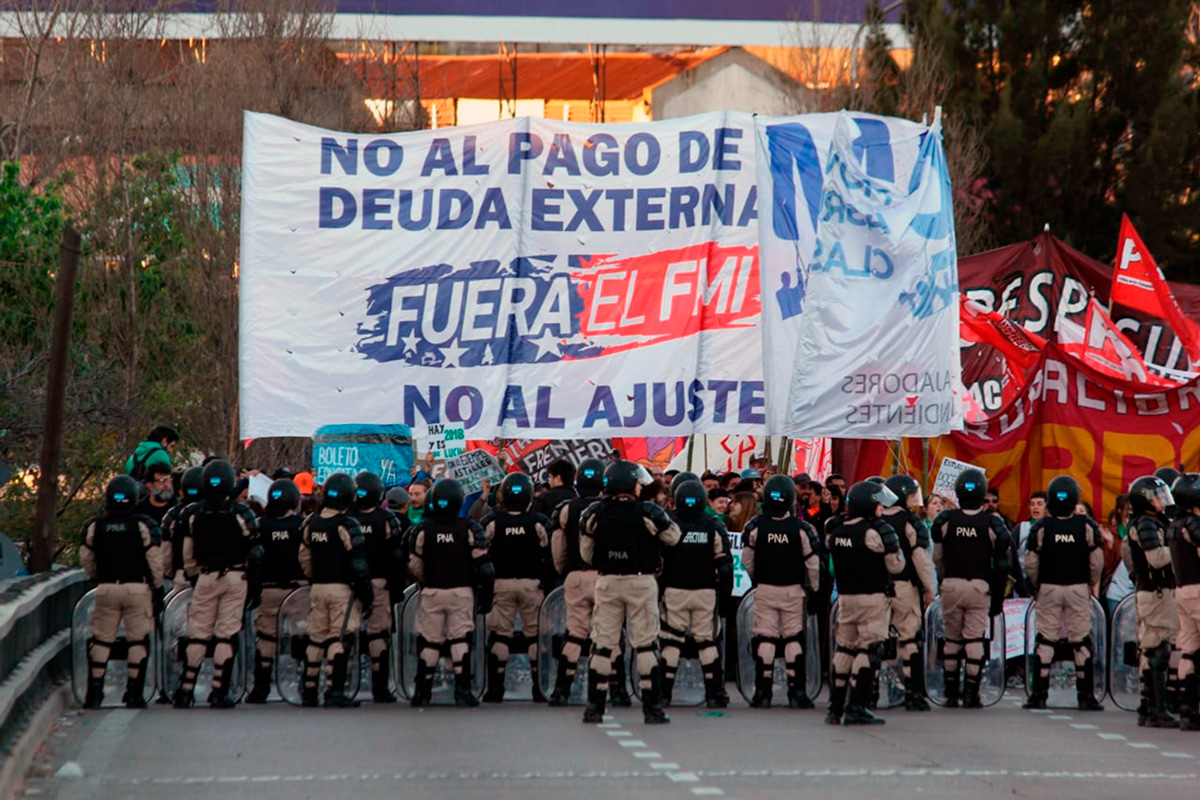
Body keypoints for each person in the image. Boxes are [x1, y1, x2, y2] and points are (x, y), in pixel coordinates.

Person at [579, 460, 682, 724]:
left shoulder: (594, 513)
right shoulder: (647, 511)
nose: (640, 486)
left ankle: (595, 707)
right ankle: (652, 708)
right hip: (641, 581)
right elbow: (673, 537)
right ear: (629, 483)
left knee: (602, 644)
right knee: (646, 644)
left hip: (607, 581)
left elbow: (586, 554)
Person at [173, 460, 262, 709]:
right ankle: (218, 690)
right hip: (235, 577)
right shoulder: (241, 513)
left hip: (205, 576)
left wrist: (194, 577)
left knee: (198, 633)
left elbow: (187, 553)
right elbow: (255, 552)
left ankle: (186, 689)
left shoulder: (192, 514)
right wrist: (254, 587)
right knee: (226, 633)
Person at [79, 475, 164, 708]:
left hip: (106, 587)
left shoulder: (95, 525)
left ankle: (94, 693)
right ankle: (134, 693)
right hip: (137, 588)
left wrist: (96, 577)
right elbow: (154, 559)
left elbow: (86, 557)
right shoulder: (143, 525)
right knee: (137, 640)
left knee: (102, 640)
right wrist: (157, 587)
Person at [825, 481, 906, 725]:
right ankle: (856, 706)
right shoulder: (875, 531)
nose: (881, 507)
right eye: (878, 503)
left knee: (845, 649)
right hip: (872, 597)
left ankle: (835, 707)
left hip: (846, 598)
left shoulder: (835, 529)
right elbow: (896, 565)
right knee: (868, 649)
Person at [930, 468, 1011, 708]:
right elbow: (1002, 562)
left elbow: (938, 556)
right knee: (975, 639)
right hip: (979, 585)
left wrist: (944, 580)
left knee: (953, 639)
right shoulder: (992, 522)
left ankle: (951, 691)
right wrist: (996, 595)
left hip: (951, 584)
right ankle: (971, 693)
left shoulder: (945, 520)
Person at [1022, 476, 1105, 711]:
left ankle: (1039, 694)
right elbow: (1096, 561)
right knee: (1081, 639)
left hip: (1048, 587)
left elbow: (1030, 562)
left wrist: (1038, 586)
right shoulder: (1086, 525)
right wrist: (1089, 582)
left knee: (1046, 638)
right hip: (1078, 586)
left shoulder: (1040, 527)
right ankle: (1085, 695)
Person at [408, 478, 492, 707]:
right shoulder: (469, 528)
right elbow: (483, 565)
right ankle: (462, 690)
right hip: (461, 591)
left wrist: (427, 581)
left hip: (433, 591)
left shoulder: (422, 529)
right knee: (460, 638)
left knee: (430, 641)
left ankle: (422, 691)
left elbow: (414, 564)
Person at [742, 475, 822, 709]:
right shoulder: (801, 528)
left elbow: (746, 561)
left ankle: (762, 691)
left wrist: (759, 578)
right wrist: (814, 590)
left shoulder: (755, 527)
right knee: (793, 637)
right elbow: (813, 564)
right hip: (793, 591)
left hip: (766, 588)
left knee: (765, 637)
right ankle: (796, 691)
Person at [297, 472, 373, 707]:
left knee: (315, 638)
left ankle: (309, 690)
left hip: (318, 587)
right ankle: (334, 691)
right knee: (339, 637)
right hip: (341, 588)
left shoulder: (311, 522)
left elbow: (304, 558)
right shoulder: (347, 524)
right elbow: (358, 564)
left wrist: (314, 579)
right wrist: (366, 595)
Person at [660, 479, 733, 708]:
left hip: (674, 590)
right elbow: (725, 566)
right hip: (705, 591)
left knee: (671, 641)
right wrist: (725, 596)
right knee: (707, 642)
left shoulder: (668, 523)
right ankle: (714, 693)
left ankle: (663, 693)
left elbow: (657, 560)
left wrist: (659, 591)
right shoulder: (713, 525)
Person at [481, 472, 553, 703]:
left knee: (501, 635)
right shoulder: (539, 522)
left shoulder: (492, 521)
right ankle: (538, 687)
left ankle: (496, 687)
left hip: (501, 584)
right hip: (532, 584)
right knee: (534, 637)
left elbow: (481, 551)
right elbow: (550, 553)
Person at [548, 458, 607, 705]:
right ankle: (617, 688)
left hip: (576, 575)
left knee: (574, 633)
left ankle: (562, 688)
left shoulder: (566, 509)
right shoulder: (611, 508)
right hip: (607, 577)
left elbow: (557, 547)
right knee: (608, 634)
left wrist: (565, 571)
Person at [246, 478, 307, 704]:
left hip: (268, 590)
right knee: (301, 636)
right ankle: (305, 683)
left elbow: (252, 558)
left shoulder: (259, 525)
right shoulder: (301, 525)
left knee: (266, 638)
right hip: (297, 591)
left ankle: (260, 687)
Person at [1125, 475, 1179, 727]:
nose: (1162, 500)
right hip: (1156, 591)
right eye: (1157, 496)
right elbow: (1156, 558)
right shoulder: (1146, 522)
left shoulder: (1153, 520)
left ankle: (1148, 706)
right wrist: (1180, 551)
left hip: (1155, 591)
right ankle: (1157, 708)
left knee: (1151, 647)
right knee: (1158, 648)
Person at [351, 471, 408, 703]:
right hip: (378, 584)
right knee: (378, 633)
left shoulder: (346, 518)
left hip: (350, 584)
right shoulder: (386, 520)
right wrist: (396, 588)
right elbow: (397, 556)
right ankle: (380, 686)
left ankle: (339, 684)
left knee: (345, 633)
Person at [882, 474, 936, 711]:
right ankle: (912, 692)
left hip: (877, 590)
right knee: (909, 638)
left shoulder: (874, 519)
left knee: (879, 638)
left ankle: (877, 691)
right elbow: (921, 559)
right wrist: (929, 590)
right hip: (904, 587)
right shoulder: (911, 522)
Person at [1169, 473, 1200, 730]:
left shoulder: (1175, 524)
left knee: (1189, 650)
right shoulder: (1194, 524)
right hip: (1199, 589)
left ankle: (1186, 709)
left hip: (1182, 590)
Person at [160, 466, 203, 593]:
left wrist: (170, 572)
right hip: (210, 577)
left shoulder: (173, 514)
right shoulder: (213, 513)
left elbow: (165, 553)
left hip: (182, 576)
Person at [135, 463, 175, 528]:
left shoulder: (178, 508)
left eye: (169, 480)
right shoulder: (139, 511)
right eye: (161, 481)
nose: (167, 485)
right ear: (150, 485)